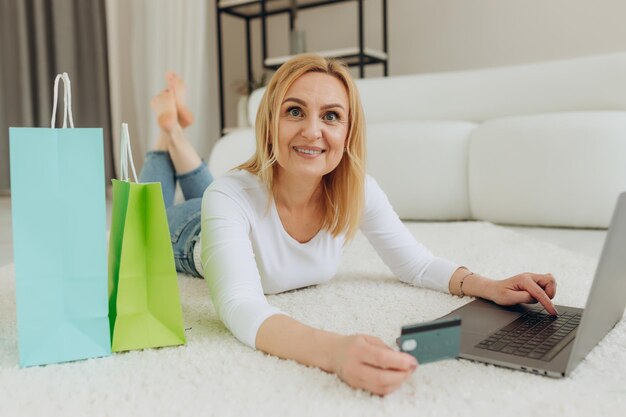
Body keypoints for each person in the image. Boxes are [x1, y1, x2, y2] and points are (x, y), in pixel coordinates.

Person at [144, 57, 558, 396]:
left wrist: (489, 286)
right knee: (152, 216)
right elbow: (240, 306)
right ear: (270, 122)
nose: (312, 130)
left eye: (330, 116)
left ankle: (174, 129)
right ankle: (166, 129)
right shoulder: (230, 198)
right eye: (294, 111)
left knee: (218, 189)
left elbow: (414, 263)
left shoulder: (356, 189)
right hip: (191, 236)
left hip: (230, 202)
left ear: (348, 131)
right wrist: (334, 351)